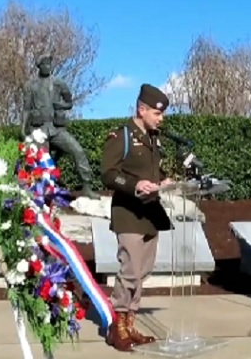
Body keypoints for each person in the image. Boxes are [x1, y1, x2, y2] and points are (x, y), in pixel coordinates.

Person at [100, 83, 173, 351]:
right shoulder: (122, 136)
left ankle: (130, 323)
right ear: (142, 109)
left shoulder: (153, 139)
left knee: (142, 271)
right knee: (129, 269)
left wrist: (163, 182)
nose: (160, 118)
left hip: (150, 213)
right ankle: (116, 325)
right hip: (128, 213)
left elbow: (152, 172)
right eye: (157, 113)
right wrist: (135, 185)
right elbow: (108, 172)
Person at [21, 55, 100, 199]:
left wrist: (61, 106)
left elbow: (69, 102)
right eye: (44, 65)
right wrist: (23, 128)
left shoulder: (59, 83)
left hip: (56, 129)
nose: (48, 67)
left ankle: (87, 187)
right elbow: (26, 108)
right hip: (38, 129)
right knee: (39, 160)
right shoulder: (30, 85)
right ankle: (39, 193)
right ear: (39, 67)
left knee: (78, 150)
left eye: (49, 65)